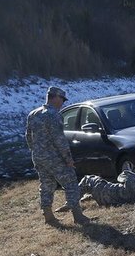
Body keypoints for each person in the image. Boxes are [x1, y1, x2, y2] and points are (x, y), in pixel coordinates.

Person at [26, 86, 92, 225]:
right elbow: (60, 140)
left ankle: (48, 216)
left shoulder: (33, 114)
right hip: (54, 157)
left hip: (38, 157)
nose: (63, 102)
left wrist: (36, 151)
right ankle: (78, 216)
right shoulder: (53, 115)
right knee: (71, 182)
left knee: (46, 184)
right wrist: (68, 159)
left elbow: (28, 137)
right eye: (62, 99)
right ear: (54, 97)